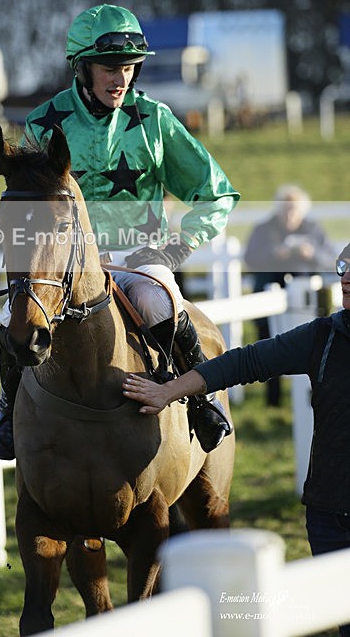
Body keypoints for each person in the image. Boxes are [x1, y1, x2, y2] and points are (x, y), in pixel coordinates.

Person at [0, 3, 240, 460]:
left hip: (139, 261)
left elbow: (216, 193)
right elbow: (23, 204)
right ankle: (9, 414)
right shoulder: (45, 123)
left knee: (156, 300)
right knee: (11, 321)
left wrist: (176, 248)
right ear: (82, 68)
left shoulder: (155, 121)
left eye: (128, 67)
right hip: (63, 267)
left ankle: (201, 403)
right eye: (109, 68)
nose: (120, 78)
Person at [122, 243, 350, 637]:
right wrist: (170, 390)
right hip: (330, 514)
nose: (346, 277)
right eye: (344, 267)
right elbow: (245, 362)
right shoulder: (325, 336)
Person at [245, 184, 335, 406]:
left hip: (307, 303)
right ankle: (272, 400)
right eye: (286, 209)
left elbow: (330, 259)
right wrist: (274, 253)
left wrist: (311, 253)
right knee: (267, 345)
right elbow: (250, 258)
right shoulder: (264, 229)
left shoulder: (313, 229)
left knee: (311, 346)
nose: (289, 214)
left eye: (294, 209)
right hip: (267, 298)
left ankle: (311, 396)